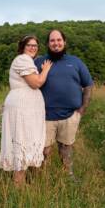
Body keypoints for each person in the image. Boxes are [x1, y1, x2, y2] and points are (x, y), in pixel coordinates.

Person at [35, 29, 93, 176]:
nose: (56, 43)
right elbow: (30, 83)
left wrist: (82, 109)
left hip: (70, 116)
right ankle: (43, 179)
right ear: (48, 44)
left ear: (64, 42)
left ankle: (68, 175)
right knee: (44, 150)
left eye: (59, 40)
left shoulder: (75, 61)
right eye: (52, 40)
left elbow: (88, 85)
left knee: (66, 149)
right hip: (44, 116)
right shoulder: (39, 62)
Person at [0, 35, 52, 187]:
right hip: (21, 108)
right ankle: (18, 187)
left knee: (25, 142)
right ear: (22, 47)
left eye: (35, 45)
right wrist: (46, 69)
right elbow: (36, 83)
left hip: (26, 109)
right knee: (21, 142)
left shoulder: (28, 61)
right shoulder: (22, 59)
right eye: (29, 45)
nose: (33, 47)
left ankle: (23, 185)